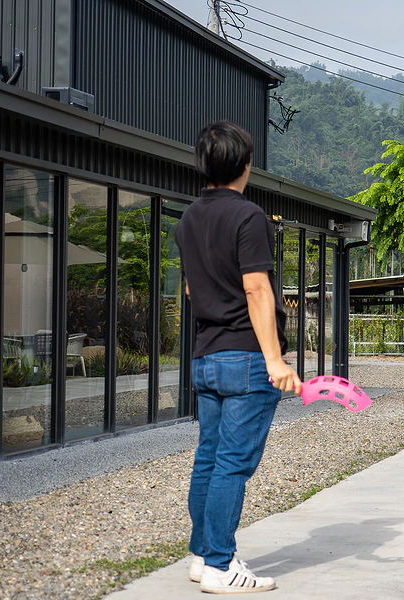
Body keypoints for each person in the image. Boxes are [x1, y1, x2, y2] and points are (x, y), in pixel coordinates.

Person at [176, 121, 302, 594]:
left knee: (208, 458)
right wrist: (275, 359)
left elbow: (192, 288)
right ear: (246, 165)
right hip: (245, 357)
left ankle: (201, 556)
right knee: (232, 463)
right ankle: (221, 566)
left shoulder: (188, 219)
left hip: (205, 356)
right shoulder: (249, 217)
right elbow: (256, 289)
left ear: (203, 165)